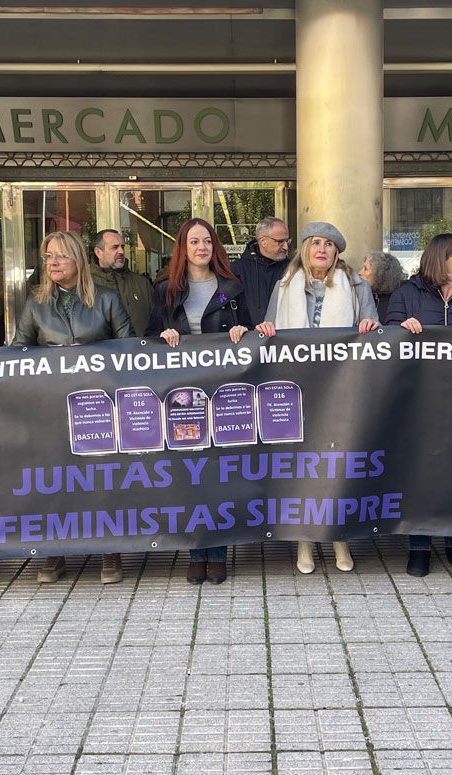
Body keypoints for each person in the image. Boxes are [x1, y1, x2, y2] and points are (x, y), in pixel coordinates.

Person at [12, 230, 134, 585]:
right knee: (54, 479)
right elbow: (18, 351)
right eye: (48, 255)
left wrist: (93, 355)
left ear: (78, 260)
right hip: (51, 406)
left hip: (100, 403)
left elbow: (131, 351)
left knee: (101, 478)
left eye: (61, 256)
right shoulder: (35, 303)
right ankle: (54, 552)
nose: (52, 262)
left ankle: (110, 550)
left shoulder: (107, 299)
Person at [256, 221, 378, 575]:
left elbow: (374, 328)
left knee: (336, 459)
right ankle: (305, 539)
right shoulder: (284, 285)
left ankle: (339, 536)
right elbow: (269, 329)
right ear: (305, 249)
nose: (321, 250)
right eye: (315, 243)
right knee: (303, 462)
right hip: (298, 387)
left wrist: (370, 328)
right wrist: (265, 330)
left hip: (342, 386)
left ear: (337, 251)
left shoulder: (357, 286)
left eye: (328, 244)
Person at [384, 233, 452, 577]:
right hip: (419, 397)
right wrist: (400, 327)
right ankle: (419, 546)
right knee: (421, 470)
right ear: (441, 258)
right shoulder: (406, 294)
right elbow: (387, 339)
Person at [147, 218, 251, 584]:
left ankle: (218, 551)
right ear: (183, 248)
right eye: (194, 241)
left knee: (219, 472)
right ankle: (196, 551)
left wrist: (243, 332)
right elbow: (146, 339)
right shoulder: (165, 291)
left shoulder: (233, 288)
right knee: (190, 473)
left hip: (222, 391)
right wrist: (163, 334)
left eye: (207, 240)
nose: (202, 247)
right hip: (183, 393)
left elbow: (252, 333)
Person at [91, 229, 155, 336]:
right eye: (114, 247)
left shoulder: (142, 284)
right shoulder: (85, 284)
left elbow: (157, 322)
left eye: (122, 247)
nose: (121, 251)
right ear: (98, 252)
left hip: (140, 351)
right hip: (101, 352)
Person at [231, 216, 291, 326]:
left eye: (287, 241)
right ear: (263, 241)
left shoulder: (293, 269)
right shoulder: (237, 270)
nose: (286, 247)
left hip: (285, 339)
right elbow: (222, 300)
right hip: (247, 340)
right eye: (280, 242)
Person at [358, 251, 407, 323]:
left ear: (380, 274)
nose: (359, 272)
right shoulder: (365, 295)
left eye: (366, 269)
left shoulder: (398, 301)